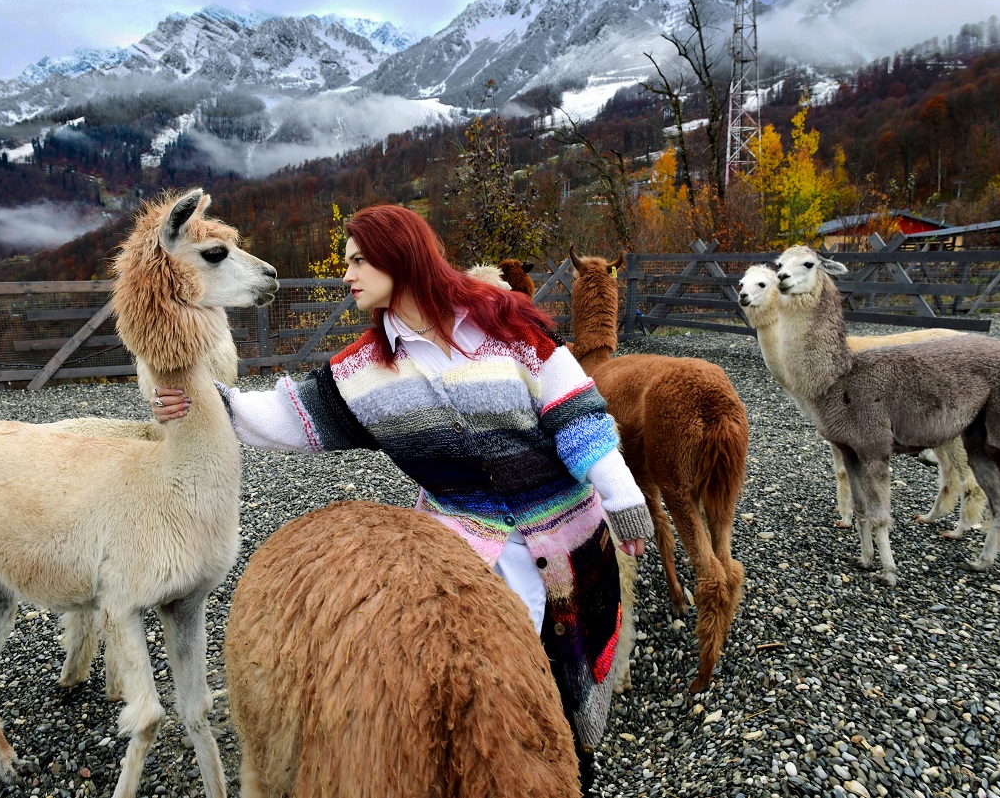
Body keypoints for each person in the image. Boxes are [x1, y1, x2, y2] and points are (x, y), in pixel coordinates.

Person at [151, 204, 653, 789]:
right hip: (466, 558)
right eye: (346, 263)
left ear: (401, 257)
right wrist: (202, 398)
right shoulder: (365, 371)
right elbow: (290, 416)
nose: (346, 275)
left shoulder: (505, 324)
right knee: (486, 707)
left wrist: (621, 494)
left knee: (570, 703)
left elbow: (578, 416)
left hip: (569, 549)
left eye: (359, 260)